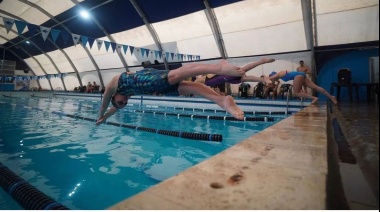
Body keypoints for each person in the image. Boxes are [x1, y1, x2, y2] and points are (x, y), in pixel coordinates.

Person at [96, 60, 247, 125]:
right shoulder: (124, 96)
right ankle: (223, 101)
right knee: (188, 87)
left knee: (176, 75)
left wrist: (100, 115)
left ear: (114, 97)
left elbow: (104, 105)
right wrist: (103, 120)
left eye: (122, 102)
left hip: (143, 79)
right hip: (153, 88)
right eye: (125, 104)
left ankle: (218, 68)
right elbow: (114, 109)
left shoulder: (113, 85)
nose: (125, 101)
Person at [268, 70, 338, 105]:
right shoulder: (279, 76)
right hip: (301, 75)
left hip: (298, 76)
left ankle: (314, 98)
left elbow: (270, 78)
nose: (273, 80)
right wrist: (304, 89)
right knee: (316, 87)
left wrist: (264, 78)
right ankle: (332, 97)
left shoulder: (279, 74)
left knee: (296, 93)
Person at [201, 58, 275, 87]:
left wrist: (226, 65)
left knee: (244, 70)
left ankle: (262, 61)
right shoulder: (203, 82)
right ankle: (262, 79)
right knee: (245, 78)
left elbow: (219, 68)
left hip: (226, 76)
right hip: (228, 80)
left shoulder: (205, 77)